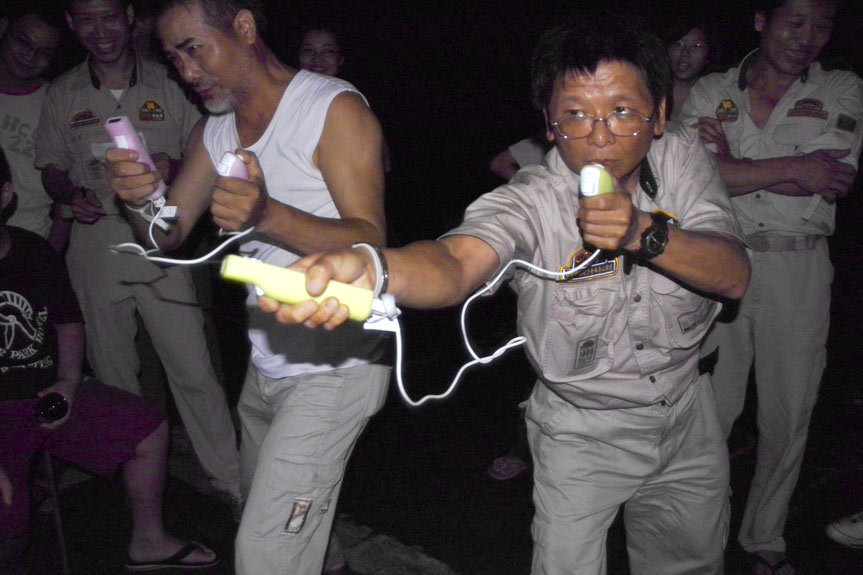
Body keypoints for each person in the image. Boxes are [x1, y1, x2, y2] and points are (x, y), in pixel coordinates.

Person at [256, 14, 751, 575]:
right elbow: (455, 261)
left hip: (689, 414)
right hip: (581, 433)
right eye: (575, 114)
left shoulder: (681, 157)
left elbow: (733, 275)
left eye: (621, 111)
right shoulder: (530, 201)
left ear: (659, 114)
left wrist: (643, 231)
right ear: (549, 125)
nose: (599, 136)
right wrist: (374, 269)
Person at [105, 1, 391, 573]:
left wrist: (267, 215)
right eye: (174, 59)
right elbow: (166, 233)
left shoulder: (332, 109)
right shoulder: (213, 131)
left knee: (264, 553)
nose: (187, 72)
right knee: (284, 525)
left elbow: (370, 242)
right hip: (267, 364)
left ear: (242, 27)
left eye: (194, 49)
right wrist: (138, 197)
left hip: (339, 363)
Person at [33, 0, 242, 511]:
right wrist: (68, 193)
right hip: (95, 241)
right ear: (72, 24)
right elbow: (50, 165)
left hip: (159, 237)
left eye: (109, 17)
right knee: (116, 376)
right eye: (86, 20)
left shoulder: (170, 80)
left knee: (193, 367)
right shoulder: (62, 92)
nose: (100, 30)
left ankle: (234, 480)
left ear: (128, 16)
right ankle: (138, 493)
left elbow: (207, 144)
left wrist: (177, 165)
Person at [678, 1, 863, 574]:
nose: (809, 37)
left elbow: (831, 177)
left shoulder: (841, 88)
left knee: (788, 413)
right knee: (711, 413)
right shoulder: (712, 89)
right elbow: (692, 177)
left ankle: (765, 535)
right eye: (796, 21)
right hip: (720, 264)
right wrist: (793, 167)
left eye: (823, 25)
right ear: (762, 20)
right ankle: (698, 535)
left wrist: (732, 164)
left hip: (798, 269)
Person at [0, 145, 219, 574]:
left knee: (147, 429)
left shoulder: (33, 251)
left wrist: (68, 381)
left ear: (5, 194)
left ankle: (148, 542)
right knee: (9, 519)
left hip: (50, 396)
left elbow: (67, 321)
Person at [0, 7, 69, 253]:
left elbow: (66, 194)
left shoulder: (57, 103)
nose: (30, 56)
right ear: (3, 28)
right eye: (23, 42)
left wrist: (51, 252)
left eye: (44, 52)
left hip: (29, 239)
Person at [658, 10, 718, 123]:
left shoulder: (718, 94)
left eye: (697, 46)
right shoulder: (650, 89)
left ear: (709, 53)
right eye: (678, 44)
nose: (685, 53)